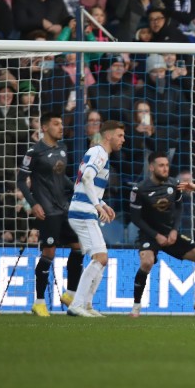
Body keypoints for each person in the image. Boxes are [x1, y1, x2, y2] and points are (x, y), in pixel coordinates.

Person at [129, 153, 195, 317]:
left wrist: (175, 230)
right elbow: (135, 219)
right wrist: (155, 235)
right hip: (149, 235)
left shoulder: (174, 184)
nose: (165, 168)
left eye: (167, 165)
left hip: (170, 235)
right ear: (151, 167)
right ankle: (136, 307)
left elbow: (179, 208)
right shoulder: (139, 189)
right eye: (161, 165)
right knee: (147, 263)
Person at [16, 112, 84, 317]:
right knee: (49, 253)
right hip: (46, 210)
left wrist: (78, 190)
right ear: (45, 128)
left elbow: (61, 179)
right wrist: (34, 204)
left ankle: (70, 294)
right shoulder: (34, 152)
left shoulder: (63, 149)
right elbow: (21, 181)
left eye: (61, 124)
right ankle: (39, 302)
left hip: (63, 208)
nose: (60, 127)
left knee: (78, 247)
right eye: (56, 124)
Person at [66, 121, 125, 317]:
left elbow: (88, 182)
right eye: (120, 135)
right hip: (83, 212)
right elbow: (86, 178)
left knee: (101, 258)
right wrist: (97, 205)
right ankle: (77, 304)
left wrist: (102, 203)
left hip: (83, 209)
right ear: (108, 136)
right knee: (100, 258)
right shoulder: (99, 152)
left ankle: (87, 304)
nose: (123, 140)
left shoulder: (99, 153)